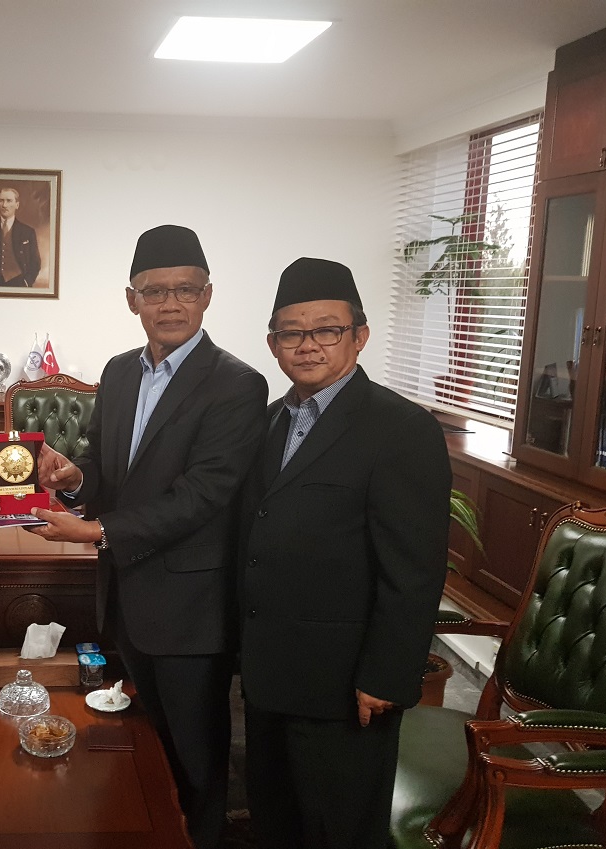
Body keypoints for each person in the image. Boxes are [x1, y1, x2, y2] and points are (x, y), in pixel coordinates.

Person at [29, 225, 268, 849]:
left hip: (191, 611)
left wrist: (96, 529)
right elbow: (114, 476)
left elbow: (202, 497)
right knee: (140, 745)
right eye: (154, 291)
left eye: (184, 290)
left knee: (197, 758)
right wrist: (77, 477)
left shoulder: (237, 385)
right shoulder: (118, 373)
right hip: (126, 597)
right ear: (131, 298)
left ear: (207, 296)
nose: (170, 304)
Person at [240, 257, 451, 849]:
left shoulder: (401, 429)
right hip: (270, 673)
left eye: (327, 329)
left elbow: (414, 570)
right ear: (273, 343)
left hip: (345, 686)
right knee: (274, 821)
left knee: (340, 830)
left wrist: (386, 675)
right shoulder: (268, 423)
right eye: (292, 332)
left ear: (358, 335)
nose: (308, 346)